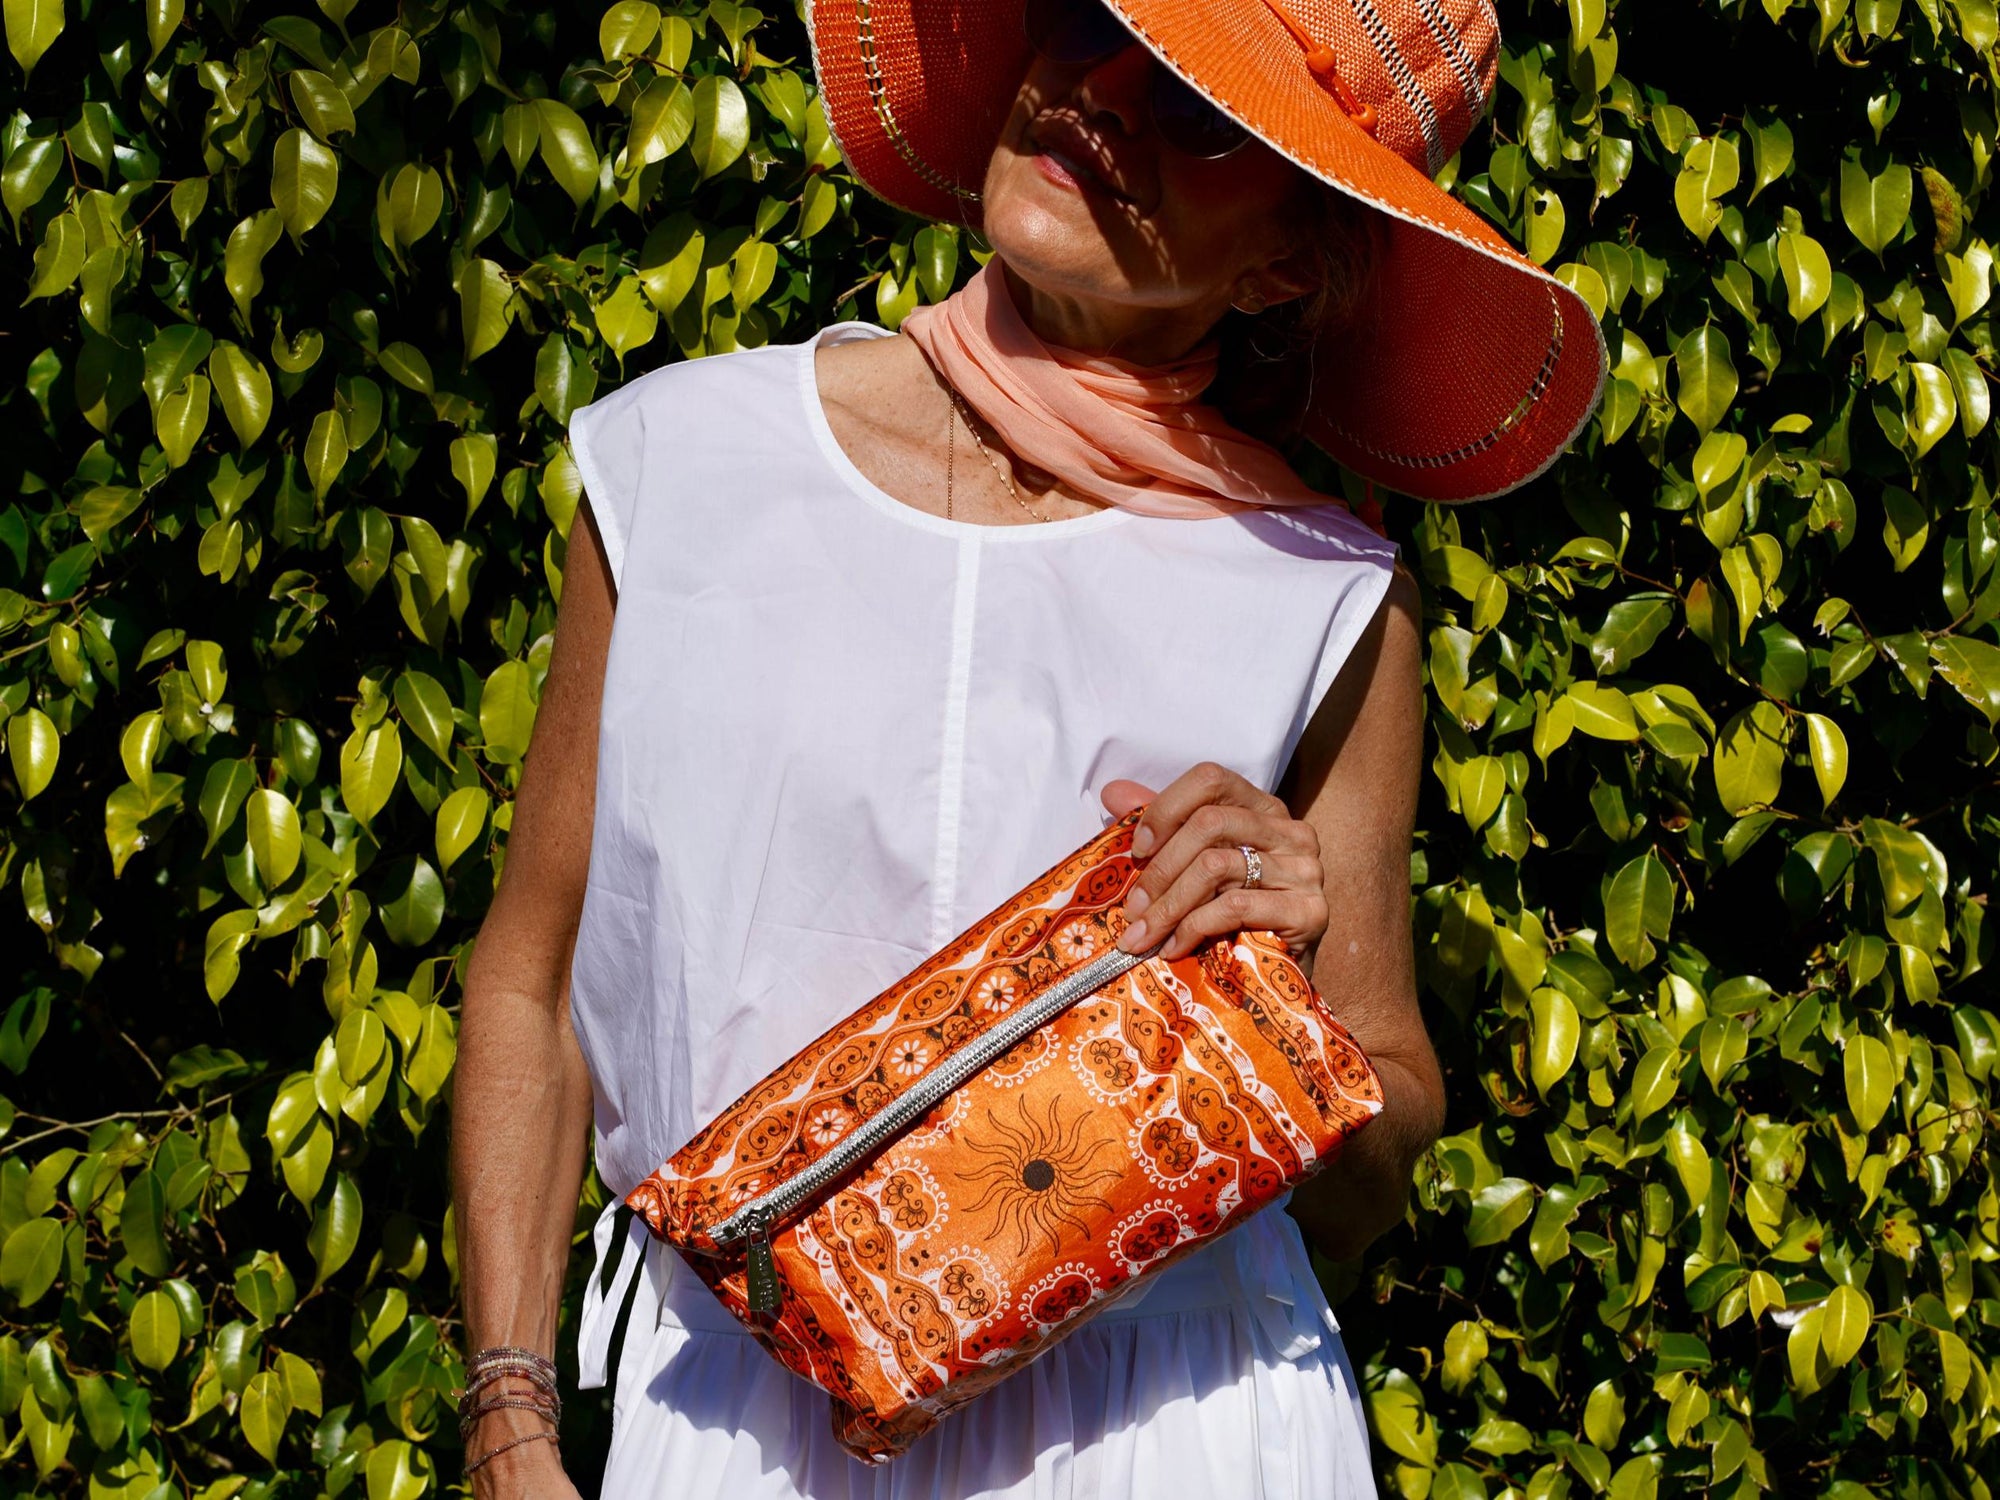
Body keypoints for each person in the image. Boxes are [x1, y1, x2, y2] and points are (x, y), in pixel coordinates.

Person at [448, 0, 1603, 1494]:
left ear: (1284, 262)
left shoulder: (1323, 604)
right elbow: (533, 984)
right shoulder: (684, 468)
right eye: (1083, 23)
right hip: (731, 1425)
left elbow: (1373, 1174)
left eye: (1196, 109)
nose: (1096, 100)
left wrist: (1288, 1017)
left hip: (1180, 1425)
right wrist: (510, 1420)